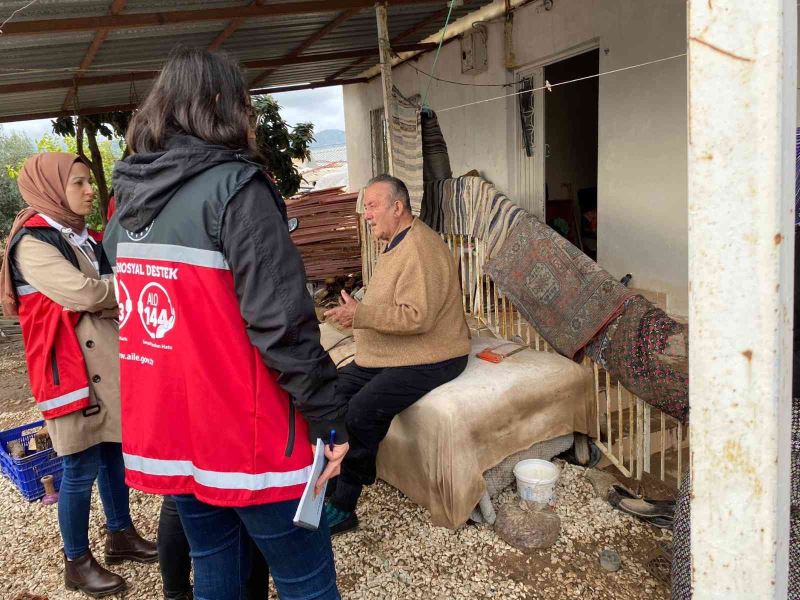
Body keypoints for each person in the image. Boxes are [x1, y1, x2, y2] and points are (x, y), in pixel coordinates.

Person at [102, 47, 348, 600]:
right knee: (305, 581)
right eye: (244, 103)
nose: (250, 117)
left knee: (216, 570)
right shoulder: (237, 189)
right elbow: (282, 325)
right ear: (218, 104)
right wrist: (330, 420)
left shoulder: (130, 199)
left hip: (176, 436)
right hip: (248, 439)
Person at [0, 152, 158, 598]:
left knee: (111, 453)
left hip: (100, 365)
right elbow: (83, 292)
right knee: (78, 465)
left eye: (89, 182)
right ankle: (76, 559)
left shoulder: (78, 236)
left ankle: (120, 535)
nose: (90, 190)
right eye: (78, 183)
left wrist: (102, 295)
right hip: (66, 371)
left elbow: (91, 294)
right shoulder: (33, 243)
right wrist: (127, 287)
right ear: (50, 188)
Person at [323, 174, 471, 535]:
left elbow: (417, 316)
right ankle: (327, 478)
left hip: (436, 352)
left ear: (398, 207)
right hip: (398, 349)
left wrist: (361, 315)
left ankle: (344, 505)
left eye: (372, 206)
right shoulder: (396, 243)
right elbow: (390, 305)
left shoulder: (420, 248)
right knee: (330, 395)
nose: (367, 215)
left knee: (361, 410)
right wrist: (357, 313)